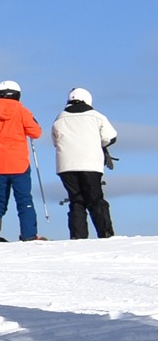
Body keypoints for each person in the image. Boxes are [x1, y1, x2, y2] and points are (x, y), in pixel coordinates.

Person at [0, 80, 42, 241]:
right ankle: (29, 235)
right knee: (24, 200)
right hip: (19, 163)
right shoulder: (23, 112)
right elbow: (36, 133)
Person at [52, 87, 117, 241]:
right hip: (90, 164)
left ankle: (78, 236)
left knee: (76, 200)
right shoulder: (96, 116)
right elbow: (110, 137)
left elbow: (55, 141)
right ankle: (106, 234)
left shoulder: (59, 118)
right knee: (95, 200)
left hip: (66, 165)